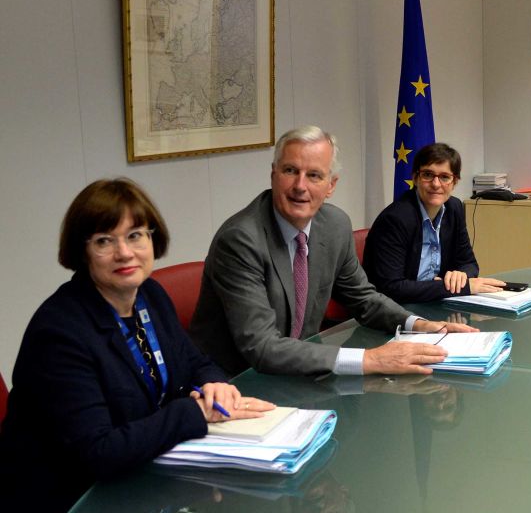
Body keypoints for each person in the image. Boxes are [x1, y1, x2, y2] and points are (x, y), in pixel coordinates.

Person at [0, 179, 274, 513]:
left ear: (153, 238)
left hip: (143, 482)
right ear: (82, 251)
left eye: (135, 235)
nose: (124, 252)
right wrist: (193, 413)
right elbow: (100, 451)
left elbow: (193, 362)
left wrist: (214, 383)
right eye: (103, 241)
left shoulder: (150, 296)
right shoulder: (60, 333)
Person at [190, 126, 474, 377]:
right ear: (273, 175)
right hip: (237, 381)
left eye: (314, 175)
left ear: (331, 186)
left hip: (301, 370)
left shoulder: (335, 225)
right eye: (290, 171)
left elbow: (363, 298)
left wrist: (419, 325)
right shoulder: (241, 240)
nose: (300, 186)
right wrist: (370, 359)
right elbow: (263, 347)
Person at [363, 142, 505, 303]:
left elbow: (468, 263)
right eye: (428, 175)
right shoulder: (395, 219)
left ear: (455, 182)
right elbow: (392, 288)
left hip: (434, 302)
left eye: (445, 177)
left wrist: (462, 275)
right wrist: (462, 287)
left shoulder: (454, 208)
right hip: (394, 311)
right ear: (415, 178)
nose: (436, 184)